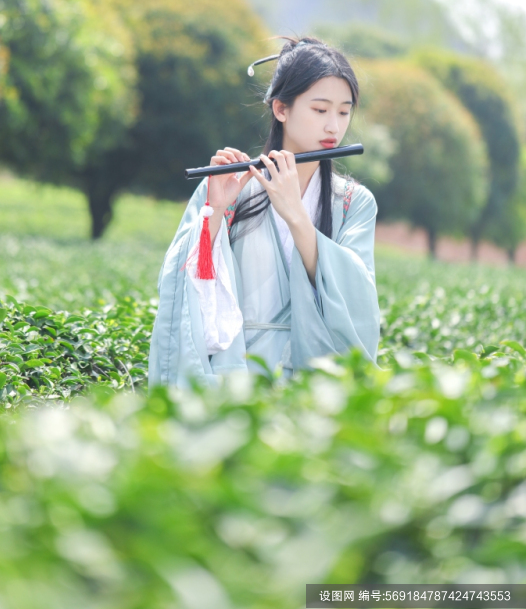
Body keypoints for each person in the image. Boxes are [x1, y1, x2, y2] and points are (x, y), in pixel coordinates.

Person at [148, 37, 380, 389]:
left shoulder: (354, 203)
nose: (334, 126)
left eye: (344, 111)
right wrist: (216, 212)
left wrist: (297, 218)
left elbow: (358, 299)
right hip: (238, 379)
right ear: (281, 109)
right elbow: (184, 287)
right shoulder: (228, 187)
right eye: (320, 110)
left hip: (316, 385)